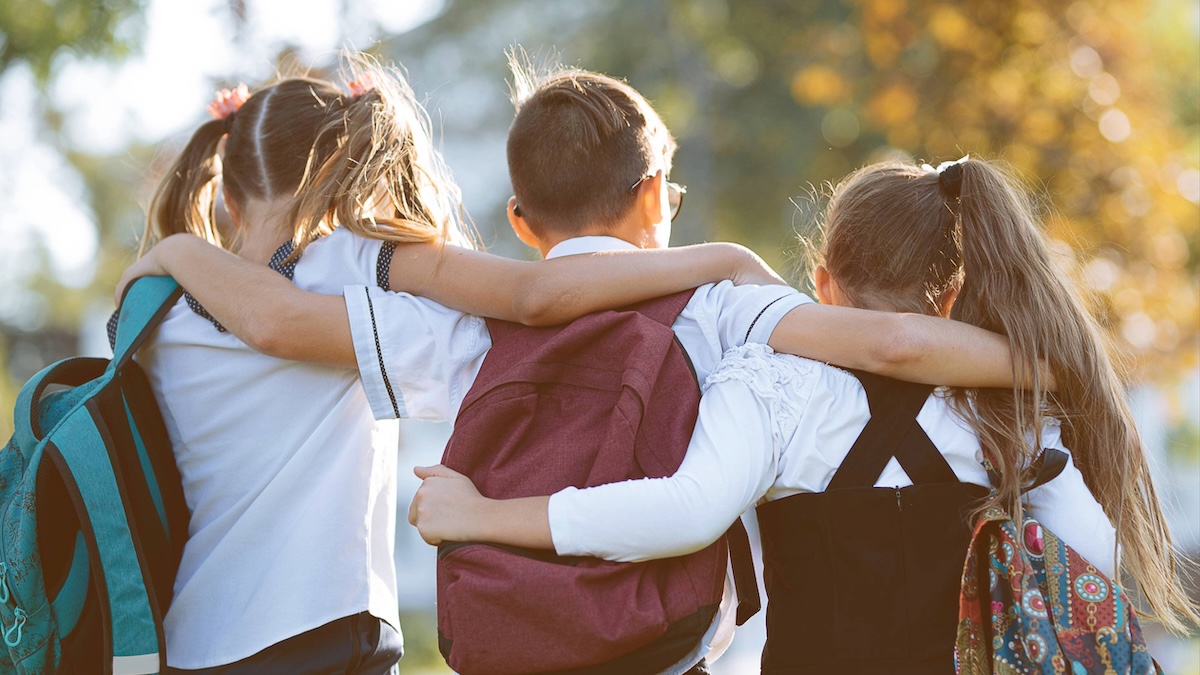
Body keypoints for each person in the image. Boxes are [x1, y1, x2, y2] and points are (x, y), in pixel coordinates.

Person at [121, 64, 1030, 673]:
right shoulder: (722, 307)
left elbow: (297, 322)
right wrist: (1045, 365)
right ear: (654, 196)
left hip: (512, 638)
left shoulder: (458, 331)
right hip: (669, 645)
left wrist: (184, 255)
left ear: (520, 222)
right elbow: (886, 343)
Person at [407, 157, 1200, 671]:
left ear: (821, 283)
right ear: (953, 294)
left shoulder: (770, 387)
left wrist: (485, 514)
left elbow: (682, 512)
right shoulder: (1006, 407)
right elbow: (1091, 554)